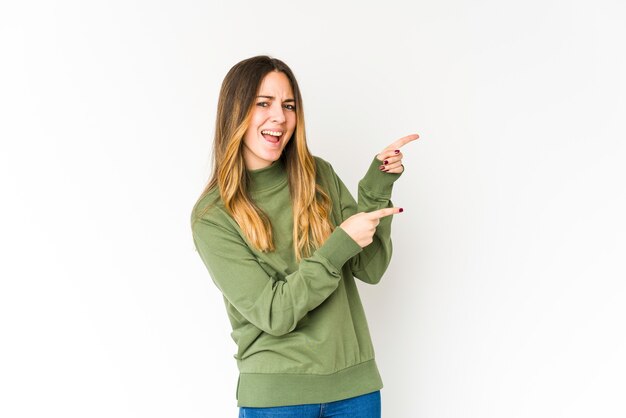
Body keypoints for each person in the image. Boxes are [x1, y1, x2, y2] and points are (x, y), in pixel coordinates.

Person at [190, 55, 418, 418]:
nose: (279, 116)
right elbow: (273, 313)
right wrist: (336, 246)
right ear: (235, 112)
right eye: (263, 103)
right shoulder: (213, 216)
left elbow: (370, 268)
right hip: (277, 398)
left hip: (355, 389)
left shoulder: (318, 175)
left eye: (288, 105)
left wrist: (377, 189)